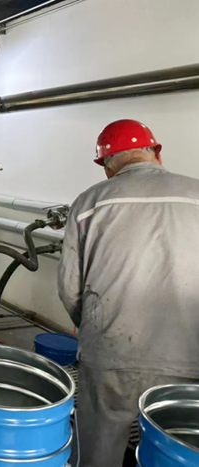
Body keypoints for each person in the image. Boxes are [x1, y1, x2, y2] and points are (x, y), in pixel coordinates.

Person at [58, 119, 199, 467]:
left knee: (100, 447)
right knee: (177, 449)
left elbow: (69, 288)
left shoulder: (90, 202)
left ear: (107, 166)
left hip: (111, 351)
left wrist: (92, 328)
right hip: (188, 351)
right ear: (156, 153)